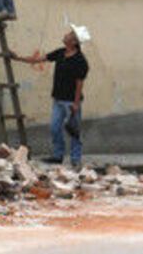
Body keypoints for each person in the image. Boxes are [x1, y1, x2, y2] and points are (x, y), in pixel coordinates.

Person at [11, 27, 90, 168]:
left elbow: (79, 83)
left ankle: (75, 158)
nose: (65, 35)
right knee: (54, 128)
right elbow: (38, 59)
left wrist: (76, 103)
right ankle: (58, 155)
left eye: (69, 34)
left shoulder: (80, 60)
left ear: (73, 41)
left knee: (74, 131)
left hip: (71, 101)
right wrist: (17, 58)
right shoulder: (60, 52)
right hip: (58, 99)